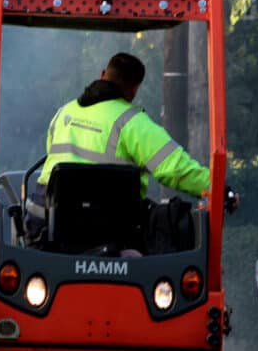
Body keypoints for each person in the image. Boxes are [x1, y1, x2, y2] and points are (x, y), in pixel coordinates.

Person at [30, 52, 237, 235]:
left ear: (103, 75)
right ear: (133, 91)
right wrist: (219, 190)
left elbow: (52, 155)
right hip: (107, 230)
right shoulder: (132, 122)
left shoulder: (64, 112)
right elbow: (175, 169)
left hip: (46, 225)